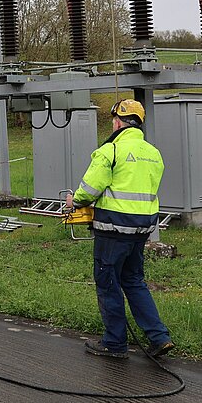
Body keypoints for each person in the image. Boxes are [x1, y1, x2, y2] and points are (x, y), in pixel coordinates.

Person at [65, 99, 174, 359]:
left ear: (117, 122)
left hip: (113, 230)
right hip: (142, 229)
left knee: (108, 283)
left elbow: (90, 189)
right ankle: (159, 337)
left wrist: (74, 202)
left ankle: (114, 343)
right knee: (134, 281)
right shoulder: (153, 153)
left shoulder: (110, 151)